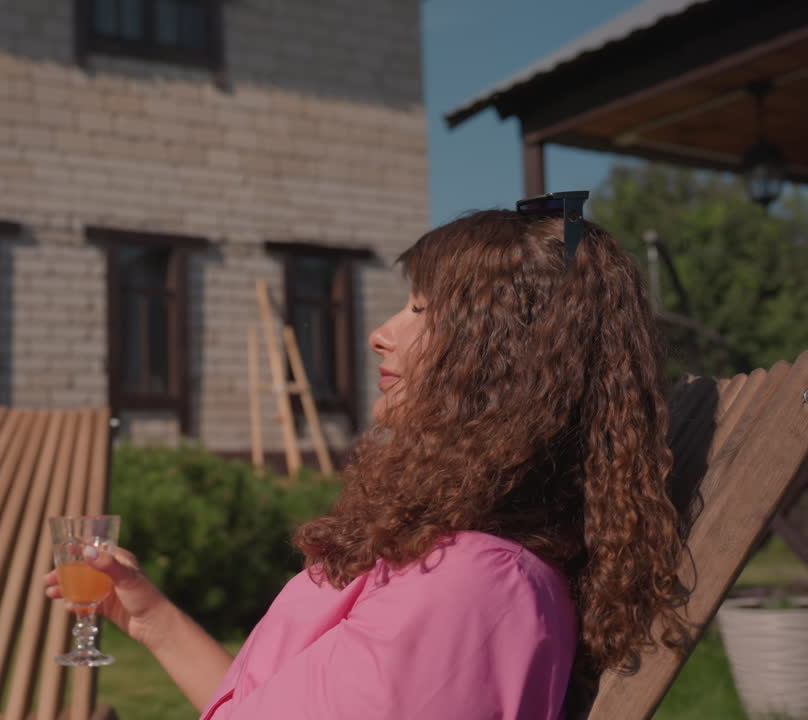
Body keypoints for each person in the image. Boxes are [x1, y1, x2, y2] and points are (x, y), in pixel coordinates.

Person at [44, 199, 692, 719]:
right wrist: (154, 621)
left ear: (504, 358)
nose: (381, 333)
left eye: (423, 310)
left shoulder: (471, 588)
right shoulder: (447, 558)